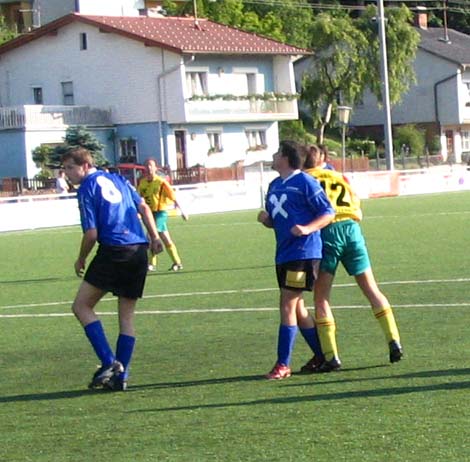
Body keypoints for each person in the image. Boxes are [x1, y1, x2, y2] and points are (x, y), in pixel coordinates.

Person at [62, 147, 163, 391]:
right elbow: (144, 208)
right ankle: (121, 376)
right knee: (126, 318)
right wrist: (154, 236)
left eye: (70, 168)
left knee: (81, 306)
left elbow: (91, 233)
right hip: (138, 250)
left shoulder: (87, 187)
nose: (67, 174)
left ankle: (109, 362)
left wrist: (81, 258)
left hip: (114, 250)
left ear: (85, 166)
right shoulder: (118, 179)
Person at [302, 144, 403, 373]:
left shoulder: (305, 180)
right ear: (323, 159)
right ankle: (394, 340)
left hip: (328, 232)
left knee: (321, 297)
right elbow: (357, 205)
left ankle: (331, 356)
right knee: (371, 288)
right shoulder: (339, 176)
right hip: (352, 229)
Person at [257, 140, 335, 380]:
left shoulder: (305, 182)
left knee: (288, 305)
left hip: (303, 252)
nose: (273, 155)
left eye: (277, 152)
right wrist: (266, 220)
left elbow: (328, 212)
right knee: (298, 308)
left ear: (287, 157)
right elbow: (278, 220)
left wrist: (307, 228)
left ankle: (283, 364)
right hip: (284, 252)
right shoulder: (274, 185)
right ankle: (323, 355)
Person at [137, 158, 188, 272]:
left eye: (151, 165)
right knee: (165, 238)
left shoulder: (161, 182)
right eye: (147, 166)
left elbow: (173, 196)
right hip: (149, 214)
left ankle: (151, 264)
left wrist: (182, 211)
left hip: (160, 213)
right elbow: (139, 199)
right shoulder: (142, 183)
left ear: (155, 168)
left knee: (151, 236)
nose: (149, 168)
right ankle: (177, 262)